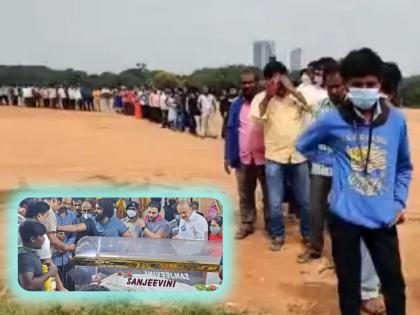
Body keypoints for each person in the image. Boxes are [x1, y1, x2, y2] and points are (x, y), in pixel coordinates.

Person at [296, 48, 412, 315]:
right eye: (357, 85)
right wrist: (334, 161)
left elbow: (404, 167)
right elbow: (304, 144)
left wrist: (397, 201)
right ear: (346, 85)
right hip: (344, 217)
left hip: (383, 217)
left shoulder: (395, 120)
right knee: (348, 288)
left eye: (370, 84)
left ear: (380, 84)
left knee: (394, 285)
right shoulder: (333, 120)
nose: (364, 90)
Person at [250, 60, 311, 251]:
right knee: (275, 201)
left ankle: (308, 234)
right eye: (273, 78)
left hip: (298, 156)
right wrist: (268, 96)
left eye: (280, 77)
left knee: (305, 200)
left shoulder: (297, 96)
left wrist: (292, 90)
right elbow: (257, 119)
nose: (278, 82)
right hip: (275, 157)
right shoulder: (261, 99)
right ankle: (277, 235)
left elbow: (311, 109)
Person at [298, 60, 345, 263]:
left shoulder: (353, 109)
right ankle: (315, 247)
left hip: (344, 169)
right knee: (315, 209)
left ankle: (340, 255)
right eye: (330, 86)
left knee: (340, 214)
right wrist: (313, 155)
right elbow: (311, 134)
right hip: (320, 166)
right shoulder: (320, 108)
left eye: (338, 86)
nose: (334, 90)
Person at [225, 69, 268, 239]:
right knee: (245, 193)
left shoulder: (267, 102)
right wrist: (228, 156)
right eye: (244, 83)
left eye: (251, 82)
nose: (247, 85)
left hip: (265, 158)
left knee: (269, 194)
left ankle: (272, 224)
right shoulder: (236, 105)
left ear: (258, 83)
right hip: (243, 157)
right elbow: (230, 130)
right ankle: (247, 222)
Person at [57, 198, 130, 237]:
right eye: (96, 208)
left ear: (107, 210)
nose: (95, 211)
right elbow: (76, 227)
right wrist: (57, 227)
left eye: (99, 209)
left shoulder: (117, 223)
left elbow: (129, 239)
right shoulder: (92, 220)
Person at [18, 220, 58, 291]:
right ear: (33, 239)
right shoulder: (26, 257)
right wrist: (50, 274)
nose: (44, 238)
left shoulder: (30, 254)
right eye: (41, 236)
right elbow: (29, 285)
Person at [53, 198, 78, 290]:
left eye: (69, 204)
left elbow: (74, 234)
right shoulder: (51, 215)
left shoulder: (72, 215)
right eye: (64, 203)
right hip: (54, 254)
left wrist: (67, 246)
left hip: (67, 255)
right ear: (59, 201)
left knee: (69, 281)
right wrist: (57, 240)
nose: (67, 206)